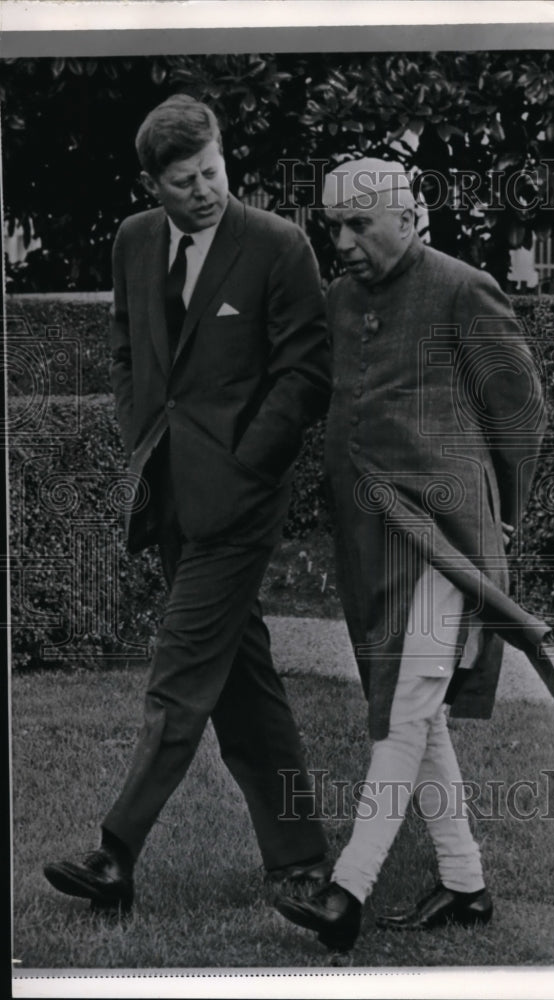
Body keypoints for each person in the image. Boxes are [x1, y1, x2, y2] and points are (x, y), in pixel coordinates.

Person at [44, 94, 331, 914]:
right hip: (163, 490)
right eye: (183, 180)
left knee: (180, 671)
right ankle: (299, 858)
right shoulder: (132, 241)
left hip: (240, 501)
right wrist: (140, 431)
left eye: (212, 170)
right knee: (240, 673)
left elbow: (306, 372)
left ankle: (114, 851)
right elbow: (129, 349)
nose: (204, 189)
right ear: (152, 184)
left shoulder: (279, 245)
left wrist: (249, 465)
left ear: (221, 157)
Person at [274, 158, 554, 953]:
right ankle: (466, 886)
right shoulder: (341, 298)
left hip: (445, 542)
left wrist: (498, 521)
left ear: (408, 217)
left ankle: (347, 893)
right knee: (416, 708)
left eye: (360, 224)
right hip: (371, 546)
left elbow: (523, 415)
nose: (343, 241)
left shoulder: (464, 289)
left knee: (403, 708)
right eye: (333, 225)